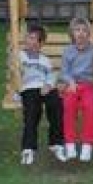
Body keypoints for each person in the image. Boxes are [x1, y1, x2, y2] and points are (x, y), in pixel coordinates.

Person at [17, 23, 67, 165]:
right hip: (28, 88)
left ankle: (56, 144)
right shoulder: (20, 56)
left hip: (44, 87)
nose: (30, 41)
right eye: (28, 38)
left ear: (41, 43)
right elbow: (16, 73)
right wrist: (18, 87)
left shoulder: (45, 60)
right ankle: (28, 148)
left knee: (56, 104)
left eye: (34, 39)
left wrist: (49, 85)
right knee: (33, 111)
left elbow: (51, 74)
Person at [58, 17, 93, 163]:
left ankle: (87, 144)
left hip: (88, 85)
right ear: (72, 33)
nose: (80, 33)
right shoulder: (68, 51)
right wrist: (70, 82)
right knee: (68, 106)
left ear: (88, 34)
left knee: (90, 107)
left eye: (84, 30)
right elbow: (63, 72)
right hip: (72, 85)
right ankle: (70, 143)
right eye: (77, 30)